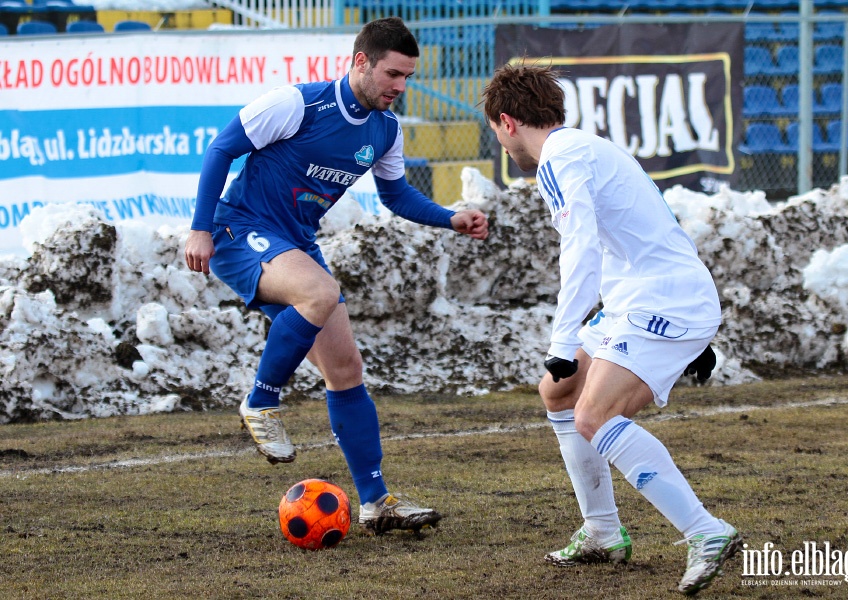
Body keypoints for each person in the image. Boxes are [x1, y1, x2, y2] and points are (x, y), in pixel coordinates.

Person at [184, 17, 489, 535]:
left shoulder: (386, 130)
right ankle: (261, 402)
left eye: (409, 77)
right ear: (360, 62)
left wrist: (450, 217)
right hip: (241, 231)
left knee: (346, 367)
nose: (400, 87)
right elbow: (221, 148)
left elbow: (395, 196)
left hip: (295, 243)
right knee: (320, 291)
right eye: (393, 74)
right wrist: (199, 230)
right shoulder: (297, 104)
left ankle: (376, 501)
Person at [481, 63, 740, 595]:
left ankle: (706, 531)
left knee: (594, 415)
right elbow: (642, 231)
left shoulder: (558, 159)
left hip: (660, 301)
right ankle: (601, 530)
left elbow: (579, 252)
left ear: (507, 122)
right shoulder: (584, 147)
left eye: (496, 133)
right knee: (559, 389)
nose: (502, 144)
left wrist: (561, 339)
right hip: (646, 298)